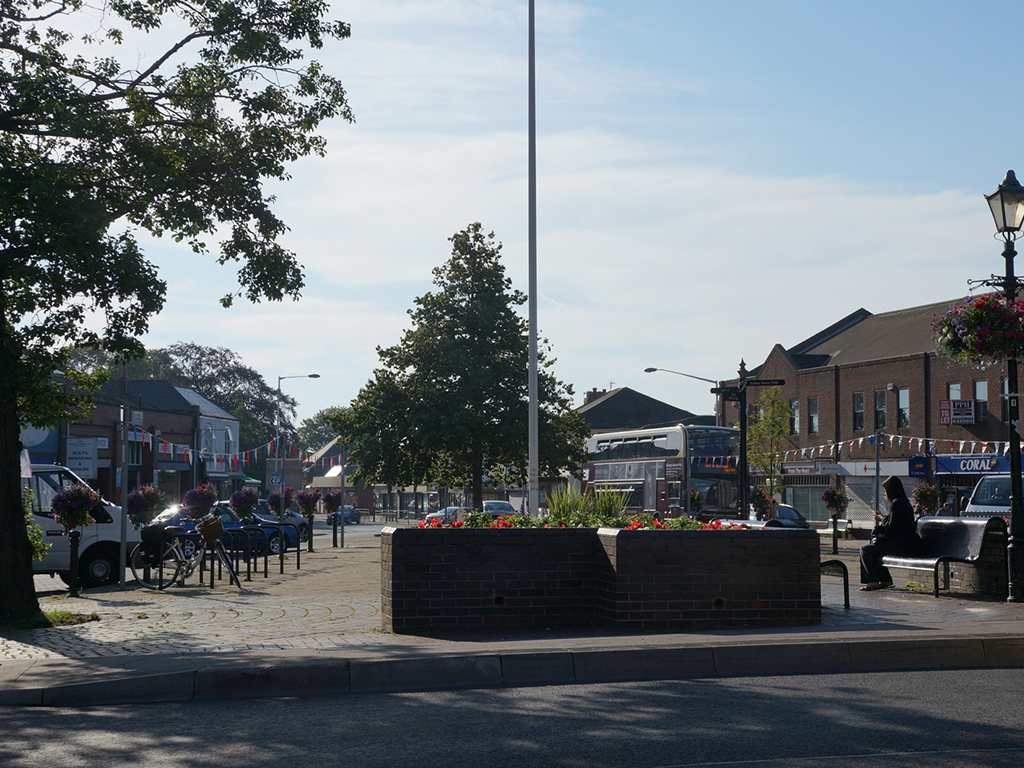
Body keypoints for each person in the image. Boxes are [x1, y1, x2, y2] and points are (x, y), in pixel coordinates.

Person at [859, 476, 920, 591]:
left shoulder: (896, 503)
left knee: (865, 549)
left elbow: (892, 527)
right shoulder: (905, 503)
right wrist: (883, 517)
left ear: (890, 491)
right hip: (907, 543)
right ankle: (885, 579)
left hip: (900, 545)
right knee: (875, 546)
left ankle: (873, 580)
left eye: (886, 491)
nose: (885, 494)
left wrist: (881, 519)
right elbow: (897, 521)